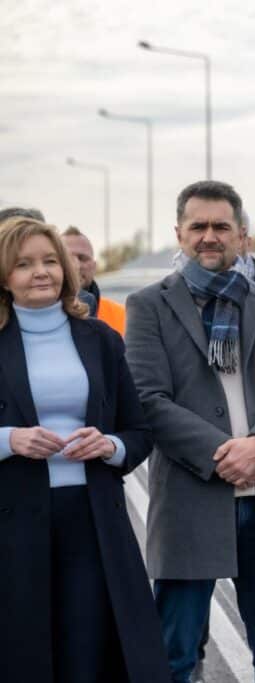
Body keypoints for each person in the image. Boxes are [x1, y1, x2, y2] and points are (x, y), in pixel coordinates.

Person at [126, 180, 255, 683]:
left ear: (243, 236)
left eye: (221, 226)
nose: (210, 236)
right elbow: (148, 400)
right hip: (191, 497)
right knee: (176, 655)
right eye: (198, 226)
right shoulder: (148, 305)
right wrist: (221, 452)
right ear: (179, 235)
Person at [0, 218, 169, 682]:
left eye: (51, 261)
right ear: (3, 275)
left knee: (88, 651)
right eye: (24, 264)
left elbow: (138, 431)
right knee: (23, 651)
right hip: (13, 521)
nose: (42, 272)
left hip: (92, 519)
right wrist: (9, 439)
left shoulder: (101, 339)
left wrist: (109, 444)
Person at [61, 226, 127, 335]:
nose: (76, 265)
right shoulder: (41, 314)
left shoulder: (121, 315)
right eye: (68, 259)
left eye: (83, 258)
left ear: (94, 266)